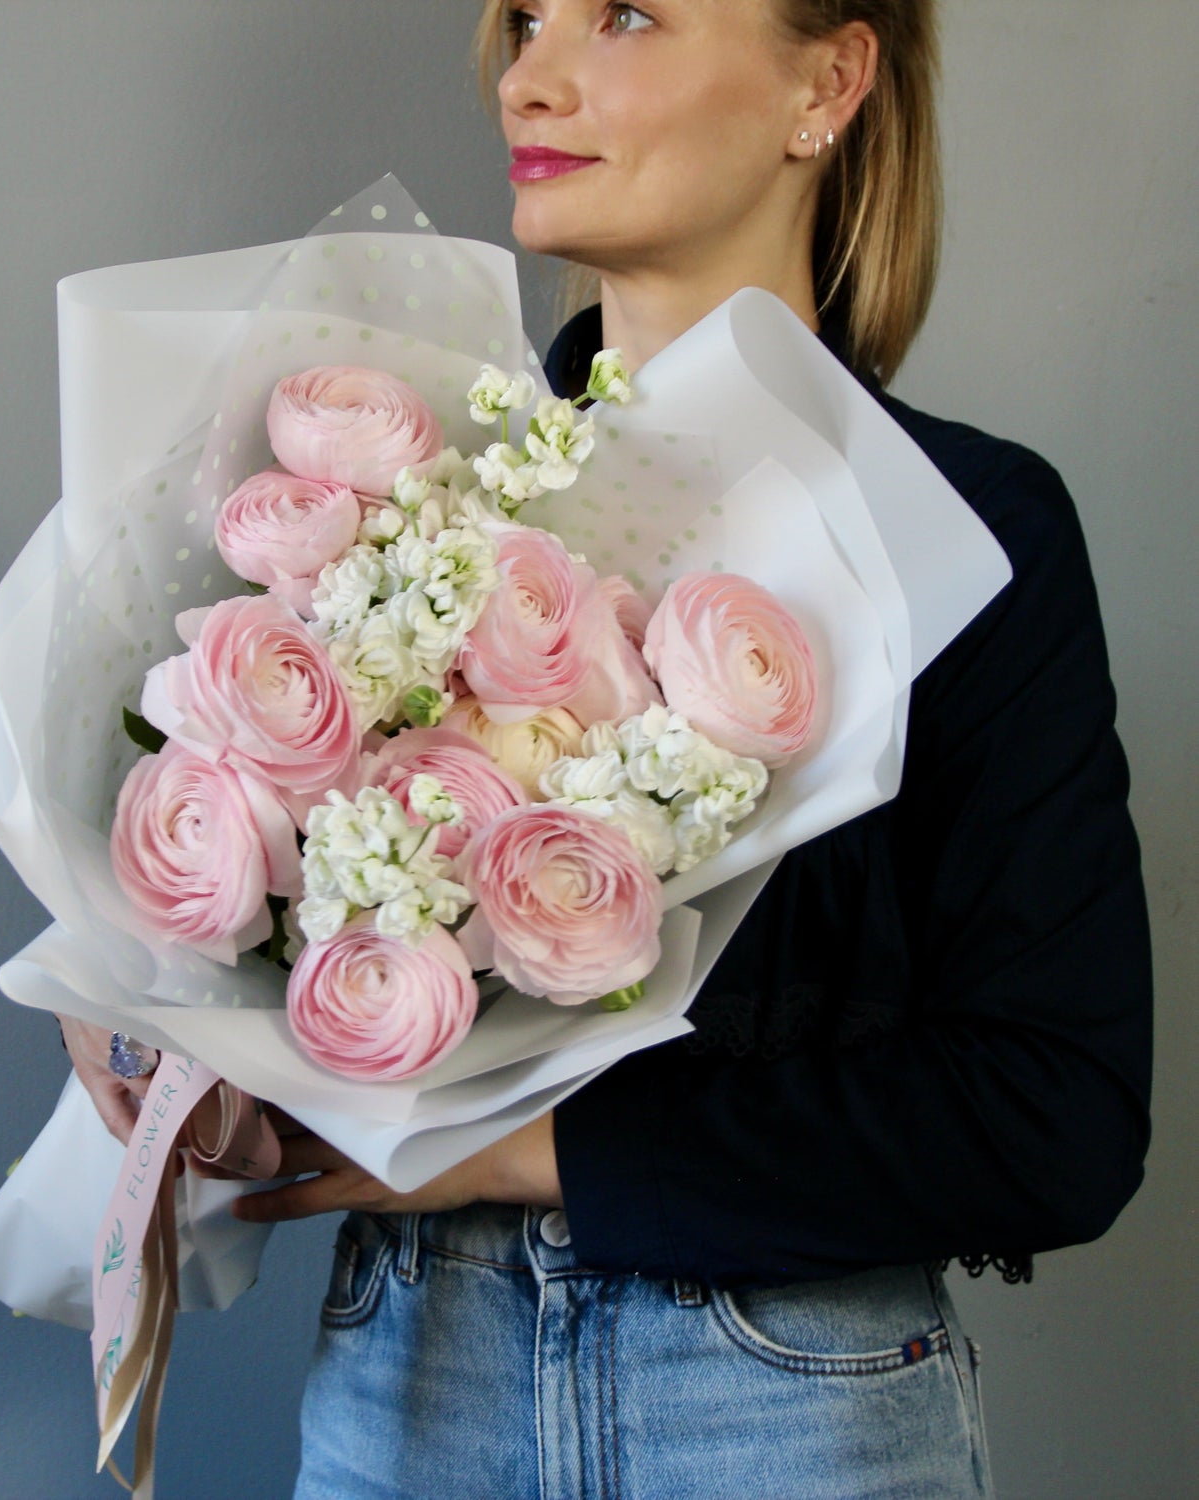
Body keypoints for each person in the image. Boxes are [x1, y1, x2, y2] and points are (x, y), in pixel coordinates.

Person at [63, 1, 1152, 1494]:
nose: (531, 72)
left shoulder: (963, 534)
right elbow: (255, 931)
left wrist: (521, 1150)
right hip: (411, 1383)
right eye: (525, 18)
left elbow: (1054, 1121)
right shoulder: (384, 506)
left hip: (778, 1407)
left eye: (626, 12)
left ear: (825, 82)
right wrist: (145, 1009)